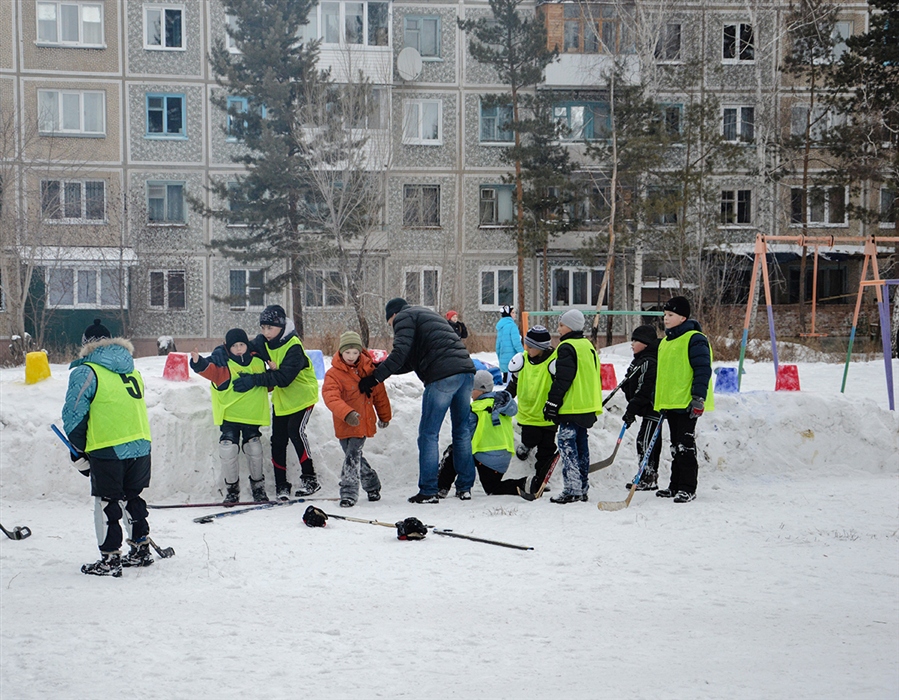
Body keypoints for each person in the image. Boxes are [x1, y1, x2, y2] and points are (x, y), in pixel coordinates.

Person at [358, 297, 476, 503]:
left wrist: (374, 379)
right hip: (465, 373)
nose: (393, 327)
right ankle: (465, 487)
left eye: (390, 323)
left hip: (442, 376)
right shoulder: (425, 315)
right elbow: (406, 361)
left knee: (428, 435)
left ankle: (429, 490)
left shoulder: (403, 317)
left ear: (393, 315)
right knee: (462, 431)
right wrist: (379, 370)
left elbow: (399, 352)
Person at [63, 321, 153, 577]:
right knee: (131, 497)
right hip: (141, 443)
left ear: (86, 344)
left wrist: (78, 449)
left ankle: (110, 557)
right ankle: (140, 549)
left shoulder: (87, 371)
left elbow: (74, 415)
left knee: (106, 501)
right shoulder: (132, 371)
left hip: (108, 445)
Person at [232, 305, 321, 499]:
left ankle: (310, 478)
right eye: (262, 328)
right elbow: (244, 347)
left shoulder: (294, 346)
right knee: (278, 440)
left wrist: (254, 380)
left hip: (303, 395)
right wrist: (224, 354)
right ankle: (282, 485)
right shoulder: (263, 342)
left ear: (281, 326)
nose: (265, 332)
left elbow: (283, 378)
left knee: (295, 431)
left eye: (269, 328)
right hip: (283, 399)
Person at [190, 329, 271, 504]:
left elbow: (268, 384)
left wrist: (272, 370)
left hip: (252, 416)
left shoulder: (257, 360)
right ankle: (232, 489)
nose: (239, 349)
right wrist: (197, 362)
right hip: (229, 416)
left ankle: (258, 487)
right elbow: (209, 370)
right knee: (228, 449)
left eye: (242, 344)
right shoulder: (223, 364)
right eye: (234, 346)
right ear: (228, 348)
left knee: (254, 448)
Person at [322, 331, 392, 508]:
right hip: (344, 421)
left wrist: (384, 416)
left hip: (362, 421)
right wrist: (347, 413)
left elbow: (379, 395)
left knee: (352, 456)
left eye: (355, 352)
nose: (351, 357)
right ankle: (372, 484)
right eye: (347, 353)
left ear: (360, 352)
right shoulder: (333, 374)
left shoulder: (369, 371)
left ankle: (348, 492)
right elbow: (331, 397)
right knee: (353, 455)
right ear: (340, 352)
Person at [654, 296, 713, 503]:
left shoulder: (695, 338)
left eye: (670, 315)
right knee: (675, 445)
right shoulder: (667, 342)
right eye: (664, 315)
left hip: (687, 402)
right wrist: (660, 401)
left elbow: (702, 369)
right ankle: (675, 485)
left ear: (683, 317)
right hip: (671, 402)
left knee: (685, 445)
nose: (666, 319)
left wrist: (698, 397)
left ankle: (688, 487)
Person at [544, 308, 602, 504]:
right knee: (581, 446)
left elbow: (563, 379)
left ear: (571, 327)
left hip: (572, 406)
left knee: (567, 445)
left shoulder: (567, 347)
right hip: (587, 404)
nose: (558, 329)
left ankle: (572, 488)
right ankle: (582, 487)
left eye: (561, 325)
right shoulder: (588, 345)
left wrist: (552, 402)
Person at [436, 370, 526, 496]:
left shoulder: (475, 408)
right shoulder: (501, 404)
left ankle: (440, 487)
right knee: (493, 487)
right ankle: (525, 484)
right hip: (502, 457)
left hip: (484, 455)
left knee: (453, 452)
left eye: (472, 389)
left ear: (481, 390)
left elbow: (465, 435)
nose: (470, 392)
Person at [506, 326, 558, 494]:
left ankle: (541, 478)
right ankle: (526, 445)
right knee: (530, 437)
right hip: (528, 414)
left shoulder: (554, 362)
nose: (527, 349)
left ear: (542, 347)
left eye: (531, 346)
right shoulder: (522, 361)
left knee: (547, 449)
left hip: (548, 414)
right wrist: (505, 396)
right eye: (526, 345)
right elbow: (513, 384)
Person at [620, 325, 662, 491]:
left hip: (652, 407)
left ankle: (649, 476)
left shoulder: (649, 362)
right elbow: (630, 381)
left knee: (646, 441)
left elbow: (644, 389)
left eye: (636, 340)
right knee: (643, 440)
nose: (632, 344)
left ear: (645, 343)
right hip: (645, 408)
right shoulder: (639, 360)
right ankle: (646, 475)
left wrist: (632, 409)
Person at [495, 305, 523, 382]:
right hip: (512, 360)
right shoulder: (512, 326)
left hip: (503, 360)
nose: (515, 314)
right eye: (513, 312)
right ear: (509, 314)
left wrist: (499, 355)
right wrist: (523, 353)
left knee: (505, 382)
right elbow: (516, 343)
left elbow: (498, 344)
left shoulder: (500, 327)